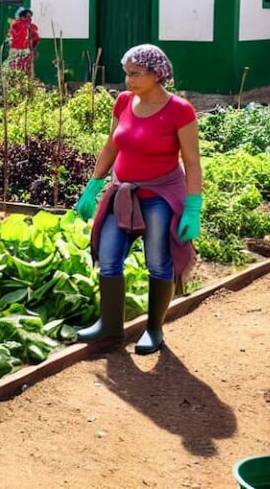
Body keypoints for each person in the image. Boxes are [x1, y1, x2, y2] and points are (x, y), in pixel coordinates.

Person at [74, 44, 202, 355]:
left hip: (160, 194)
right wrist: (93, 186)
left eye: (135, 74)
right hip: (123, 193)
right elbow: (110, 147)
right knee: (108, 255)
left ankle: (154, 328)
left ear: (157, 75)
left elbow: (193, 161)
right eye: (126, 74)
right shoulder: (123, 102)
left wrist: (192, 208)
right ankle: (110, 326)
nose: (128, 80)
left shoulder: (179, 110)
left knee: (158, 262)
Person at [8, 8, 40, 76]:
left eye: (30, 16)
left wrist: (33, 49)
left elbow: (36, 38)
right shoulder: (16, 25)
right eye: (26, 16)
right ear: (21, 17)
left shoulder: (31, 27)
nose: (29, 18)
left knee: (25, 70)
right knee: (16, 68)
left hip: (26, 53)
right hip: (18, 52)